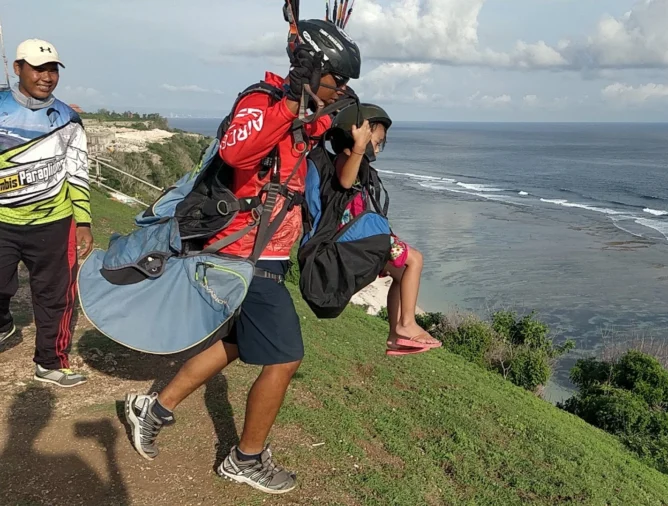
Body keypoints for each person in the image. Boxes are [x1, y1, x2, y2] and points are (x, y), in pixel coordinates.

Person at [123, 18, 360, 495]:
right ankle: (245, 458)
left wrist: (347, 128)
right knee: (286, 357)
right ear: (312, 72)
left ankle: (152, 408)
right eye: (338, 80)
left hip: (267, 255)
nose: (342, 90)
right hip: (240, 255)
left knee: (232, 344)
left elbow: (331, 168)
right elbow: (236, 154)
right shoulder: (261, 102)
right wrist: (292, 107)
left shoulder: (309, 110)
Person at [0, 38, 93, 387]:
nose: (46, 76)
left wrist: (82, 221)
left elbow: (77, 171)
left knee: (55, 297)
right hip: (3, 221)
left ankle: (51, 363)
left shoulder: (68, 118)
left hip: (54, 223)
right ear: (18, 68)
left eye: (52, 69)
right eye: (38, 68)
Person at [331, 104, 442, 355]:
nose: (378, 148)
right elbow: (346, 181)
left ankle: (395, 335)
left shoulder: (354, 160)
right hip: (355, 239)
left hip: (362, 236)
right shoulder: (346, 158)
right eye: (377, 142)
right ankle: (407, 323)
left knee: (403, 274)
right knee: (415, 259)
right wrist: (359, 148)